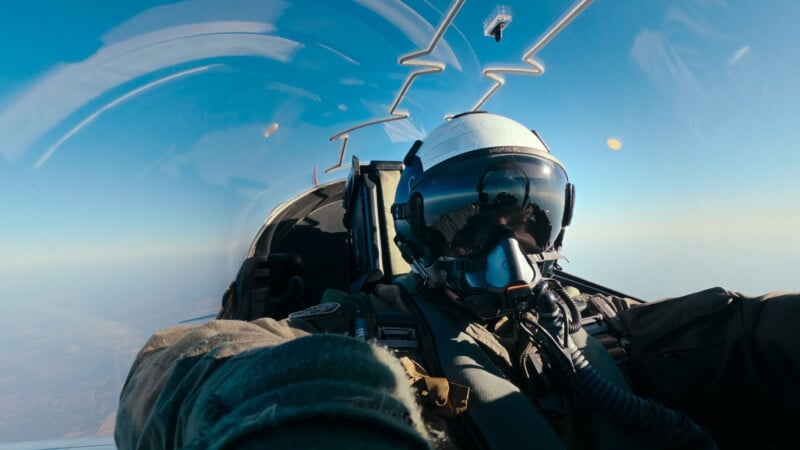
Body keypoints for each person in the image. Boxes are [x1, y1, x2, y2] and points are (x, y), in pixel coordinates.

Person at [115, 112, 799, 450]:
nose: (509, 244)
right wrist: (296, 399)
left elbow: (740, 330)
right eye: (468, 220)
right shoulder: (367, 328)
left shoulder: (601, 318)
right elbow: (182, 359)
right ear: (414, 228)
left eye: (532, 215)